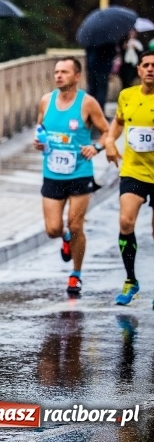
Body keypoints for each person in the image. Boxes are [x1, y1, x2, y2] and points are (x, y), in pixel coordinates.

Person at [33, 57, 109, 296]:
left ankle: (76, 274)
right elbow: (40, 129)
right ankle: (64, 237)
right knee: (53, 229)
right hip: (52, 173)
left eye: (64, 72)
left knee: (76, 225)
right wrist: (39, 141)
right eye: (56, 72)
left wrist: (96, 147)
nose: (58, 76)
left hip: (80, 172)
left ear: (77, 76)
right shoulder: (46, 100)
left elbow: (107, 132)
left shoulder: (87, 103)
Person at [104, 50, 154, 308]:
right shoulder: (127, 96)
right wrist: (110, 141)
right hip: (133, 170)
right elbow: (119, 122)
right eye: (146, 65)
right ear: (139, 70)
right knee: (125, 221)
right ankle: (131, 280)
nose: (150, 69)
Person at [85, 42, 117, 115]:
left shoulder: (90, 40)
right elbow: (112, 53)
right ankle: (99, 113)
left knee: (92, 90)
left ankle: (90, 112)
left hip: (91, 68)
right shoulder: (107, 40)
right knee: (101, 91)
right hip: (103, 68)